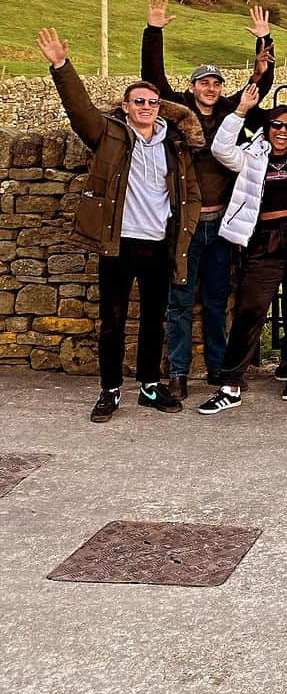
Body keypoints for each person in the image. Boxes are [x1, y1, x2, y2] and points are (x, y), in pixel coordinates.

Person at [36, 28, 203, 423]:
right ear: (126, 107)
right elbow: (79, 110)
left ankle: (148, 386)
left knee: (152, 320)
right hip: (118, 243)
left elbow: (191, 194)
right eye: (139, 101)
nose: (146, 106)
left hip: (158, 245)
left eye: (152, 101)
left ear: (159, 107)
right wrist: (61, 65)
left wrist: (185, 229)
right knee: (111, 321)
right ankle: (109, 390)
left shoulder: (174, 145)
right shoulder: (109, 136)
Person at [140, 0, 275, 397]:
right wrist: (154, 30)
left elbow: (260, 83)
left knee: (217, 300)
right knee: (180, 301)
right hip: (184, 223)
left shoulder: (234, 111)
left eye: (216, 82)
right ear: (192, 87)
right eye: (204, 82)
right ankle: (178, 373)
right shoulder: (177, 111)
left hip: (221, 223)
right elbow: (153, 79)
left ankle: (218, 369)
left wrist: (264, 40)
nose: (211, 88)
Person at [197, 87, 287, 413]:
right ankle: (230, 385)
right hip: (265, 238)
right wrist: (241, 110)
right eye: (277, 125)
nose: (283, 132)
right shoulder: (251, 155)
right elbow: (220, 149)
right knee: (250, 309)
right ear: (267, 127)